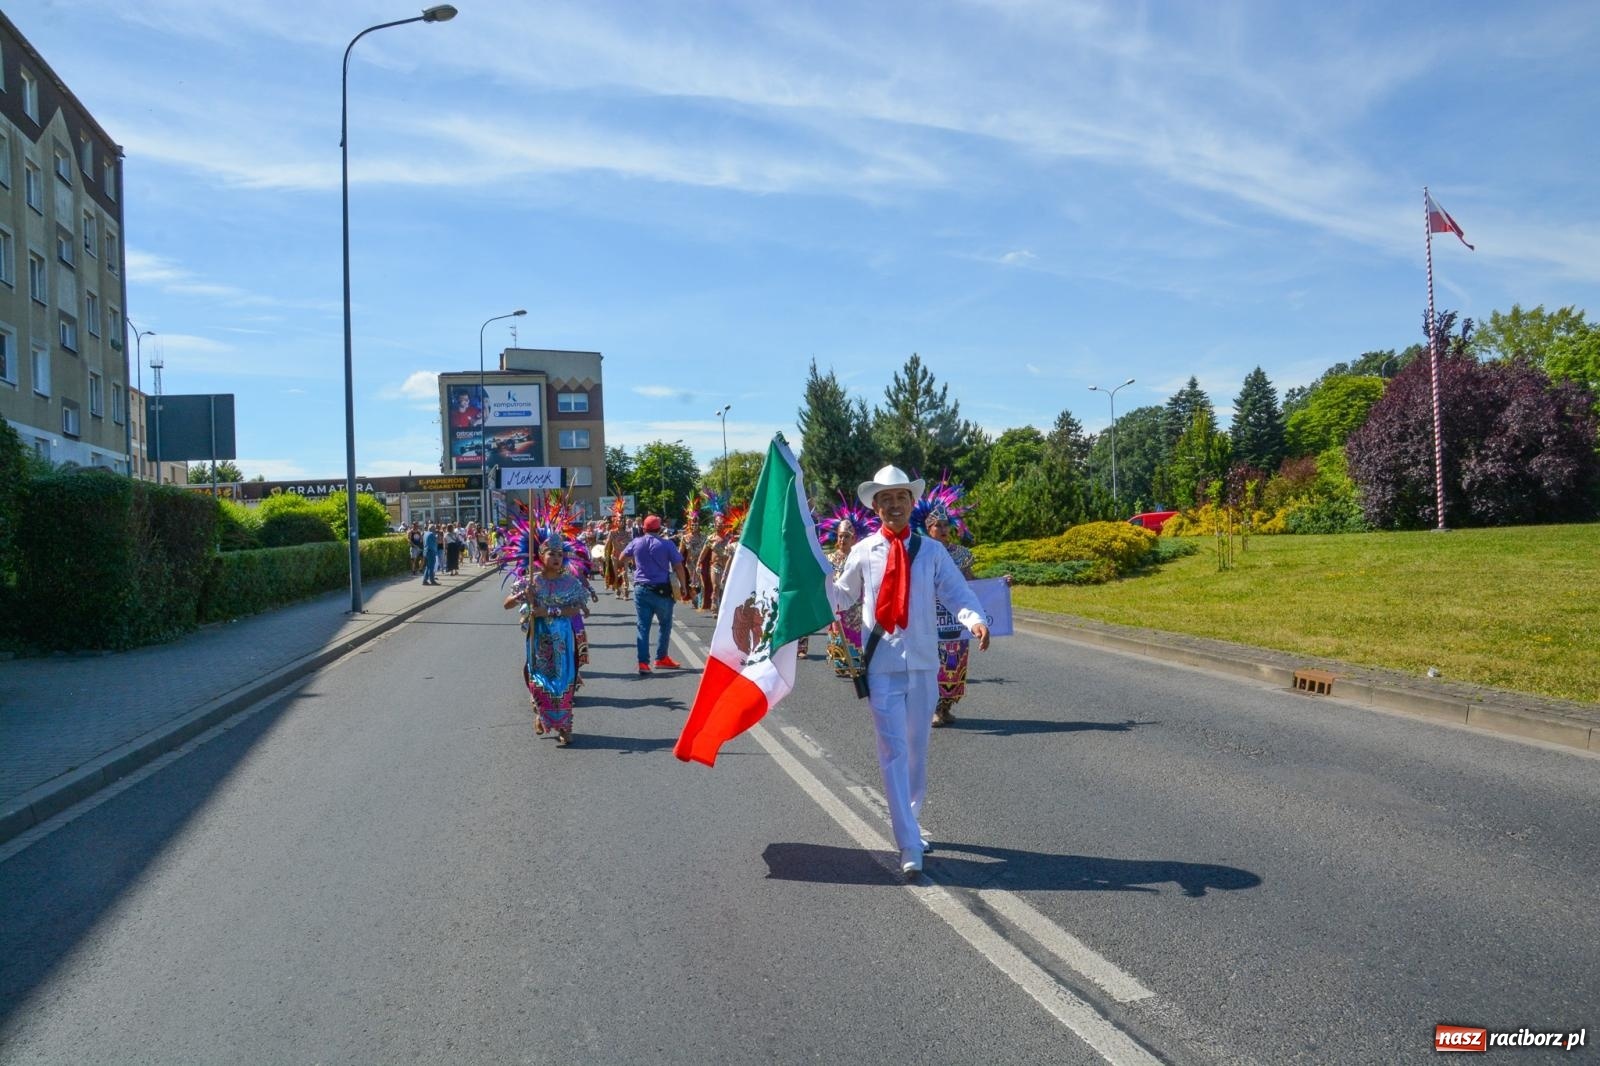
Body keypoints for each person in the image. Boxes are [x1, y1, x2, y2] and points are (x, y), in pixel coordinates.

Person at [834, 465, 989, 879]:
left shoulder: (932, 552)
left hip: (922, 664)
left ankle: (912, 821)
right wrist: (814, 577)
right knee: (893, 751)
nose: (894, 505)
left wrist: (975, 619)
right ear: (876, 507)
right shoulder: (863, 551)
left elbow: (957, 592)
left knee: (916, 750)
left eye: (901, 497)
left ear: (911, 502)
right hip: (881, 665)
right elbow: (842, 596)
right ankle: (907, 842)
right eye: (886, 499)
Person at [503, 534, 589, 746]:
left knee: (564, 681)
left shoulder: (570, 582)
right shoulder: (531, 580)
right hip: (539, 639)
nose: (557, 558)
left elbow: (576, 609)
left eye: (560, 554)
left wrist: (549, 611)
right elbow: (507, 604)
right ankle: (542, 714)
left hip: (563, 639)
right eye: (552, 554)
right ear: (541, 556)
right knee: (540, 679)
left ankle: (565, 727)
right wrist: (522, 594)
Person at [918, 487, 978, 728]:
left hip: (954, 622)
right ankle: (932, 708)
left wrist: (1000, 584)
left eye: (946, 525)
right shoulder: (920, 553)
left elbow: (973, 582)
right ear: (928, 529)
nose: (943, 529)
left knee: (954, 664)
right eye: (938, 525)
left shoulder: (961, 554)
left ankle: (945, 707)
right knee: (934, 665)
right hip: (929, 622)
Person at [621, 514, 688, 676]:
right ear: (660, 529)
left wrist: (634, 562)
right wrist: (683, 586)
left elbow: (622, 557)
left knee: (643, 626)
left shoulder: (636, 542)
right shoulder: (667, 544)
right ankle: (661, 658)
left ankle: (643, 663)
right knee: (665, 624)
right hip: (662, 590)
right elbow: (678, 566)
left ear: (644, 528)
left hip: (641, 589)